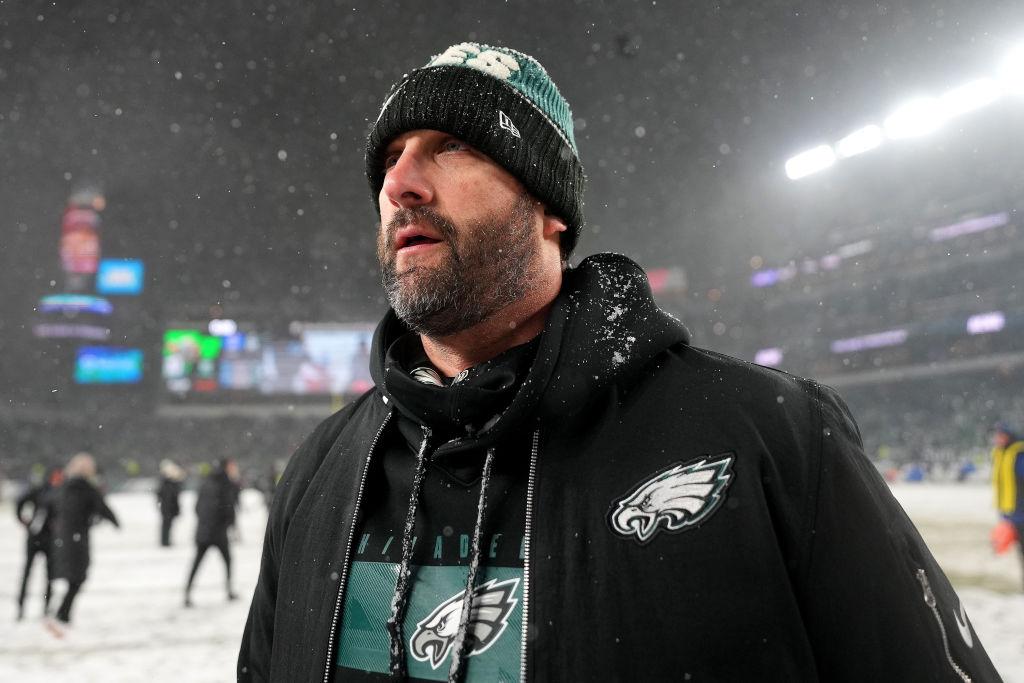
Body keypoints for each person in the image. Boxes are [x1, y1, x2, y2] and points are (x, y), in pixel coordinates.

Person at [239, 42, 999, 682]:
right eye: (390, 159)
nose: (399, 184)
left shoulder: (774, 439)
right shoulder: (320, 470)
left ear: (547, 206)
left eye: (452, 146)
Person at [51, 452, 120, 626]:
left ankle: (61, 611)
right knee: (78, 576)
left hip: (64, 536)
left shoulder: (65, 487)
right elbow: (101, 507)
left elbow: (54, 507)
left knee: (70, 575)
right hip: (77, 537)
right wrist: (114, 521)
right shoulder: (86, 488)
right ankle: (63, 613)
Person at [184, 458, 240, 607]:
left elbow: (197, 507)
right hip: (218, 531)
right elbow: (228, 507)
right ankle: (229, 591)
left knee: (197, 563)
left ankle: (187, 593)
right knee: (227, 561)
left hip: (203, 530)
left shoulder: (207, 482)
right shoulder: (225, 483)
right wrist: (228, 524)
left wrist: (205, 523)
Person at [14, 465, 63, 620]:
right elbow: (20, 502)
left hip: (50, 540)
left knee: (50, 576)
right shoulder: (40, 490)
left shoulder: (61, 492)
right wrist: (23, 520)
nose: (58, 479)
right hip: (34, 538)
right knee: (28, 573)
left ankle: (46, 609)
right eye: (56, 476)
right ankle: (21, 608)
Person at [991, 421, 1024, 587]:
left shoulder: (1019, 455)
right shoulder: (1000, 453)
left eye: (1001, 435)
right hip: (1010, 513)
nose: (997, 439)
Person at [156, 459, 186, 547]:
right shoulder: (169, 484)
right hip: (168, 508)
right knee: (166, 525)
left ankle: (165, 541)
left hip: (168, 507)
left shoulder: (168, 484)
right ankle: (165, 541)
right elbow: (169, 497)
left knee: (167, 525)